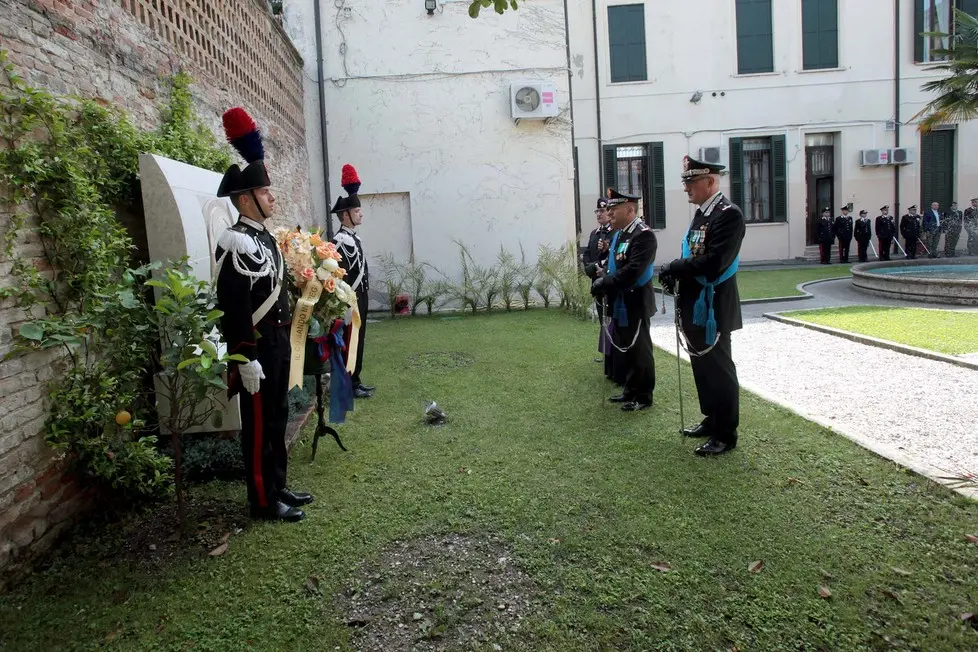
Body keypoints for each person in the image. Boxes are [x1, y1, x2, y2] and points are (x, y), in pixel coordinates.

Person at [214, 107, 312, 523]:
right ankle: (262, 500)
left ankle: (278, 485)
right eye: (266, 192)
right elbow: (233, 304)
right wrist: (244, 356)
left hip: (278, 343)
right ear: (245, 199)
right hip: (256, 348)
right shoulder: (234, 240)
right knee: (256, 428)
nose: (273, 198)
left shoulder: (265, 239)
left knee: (277, 417)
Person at [659, 155, 745, 456]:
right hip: (696, 301)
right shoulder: (703, 214)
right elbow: (696, 254)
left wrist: (675, 267)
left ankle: (725, 433)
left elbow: (714, 262)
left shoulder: (728, 215)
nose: (686, 188)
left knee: (719, 368)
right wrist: (677, 275)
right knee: (702, 366)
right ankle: (711, 419)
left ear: (710, 181)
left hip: (714, 305)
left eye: (691, 181)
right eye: (685, 182)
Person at [589, 189, 657, 412]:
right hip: (621, 301)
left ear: (629, 210)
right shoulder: (621, 235)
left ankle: (643, 396)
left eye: (613, 209)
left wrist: (606, 282)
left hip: (636, 301)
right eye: (608, 209)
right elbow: (614, 266)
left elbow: (633, 270)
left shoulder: (643, 235)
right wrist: (605, 279)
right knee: (626, 349)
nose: (609, 213)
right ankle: (630, 390)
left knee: (640, 349)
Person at [331, 164, 374, 399]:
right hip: (351, 299)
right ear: (345, 214)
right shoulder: (339, 240)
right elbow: (341, 275)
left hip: (361, 297)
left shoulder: (353, 238)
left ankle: (356, 379)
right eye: (357, 211)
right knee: (350, 341)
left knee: (360, 339)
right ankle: (348, 384)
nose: (361, 214)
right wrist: (346, 303)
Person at [582, 198, 614, 375]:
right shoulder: (595, 233)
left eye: (602, 211)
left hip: (607, 281)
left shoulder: (614, 233)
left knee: (609, 318)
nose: (599, 214)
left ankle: (612, 354)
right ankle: (606, 353)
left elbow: (610, 258)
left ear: (609, 212)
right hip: (596, 281)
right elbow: (587, 254)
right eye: (597, 211)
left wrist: (598, 266)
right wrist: (590, 267)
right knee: (602, 318)